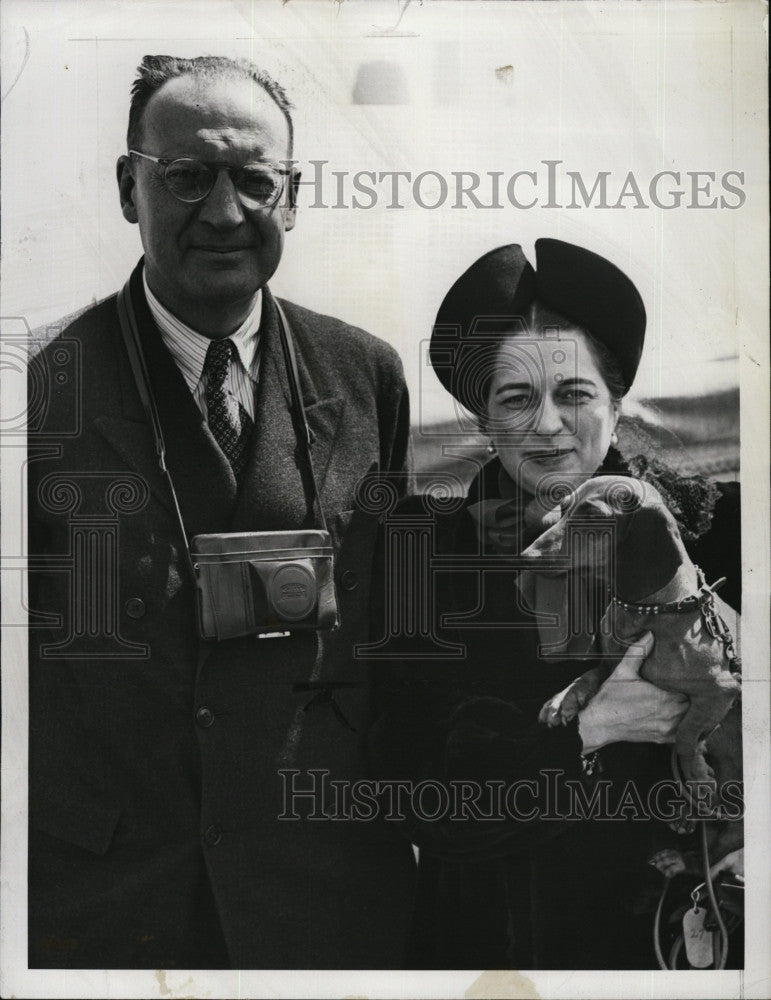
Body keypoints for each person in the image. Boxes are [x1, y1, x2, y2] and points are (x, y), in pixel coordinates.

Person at [26, 54, 415, 969]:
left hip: (327, 894)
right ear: (130, 187)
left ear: (292, 196)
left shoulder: (366, 377)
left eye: (254, 180)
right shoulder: (41, 398)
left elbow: (401, 629)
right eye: (188, 177)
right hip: (115, 901)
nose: (224, 211)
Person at [366, 239, 741, 969]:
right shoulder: (423, 554)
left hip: (669, 933)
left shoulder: (711, 526)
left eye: (573, 394)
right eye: (515, 397)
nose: (546, 424)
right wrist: (586, 732)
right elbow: (411, 794)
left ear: (615, 400)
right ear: (483, 415)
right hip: (490, 951)